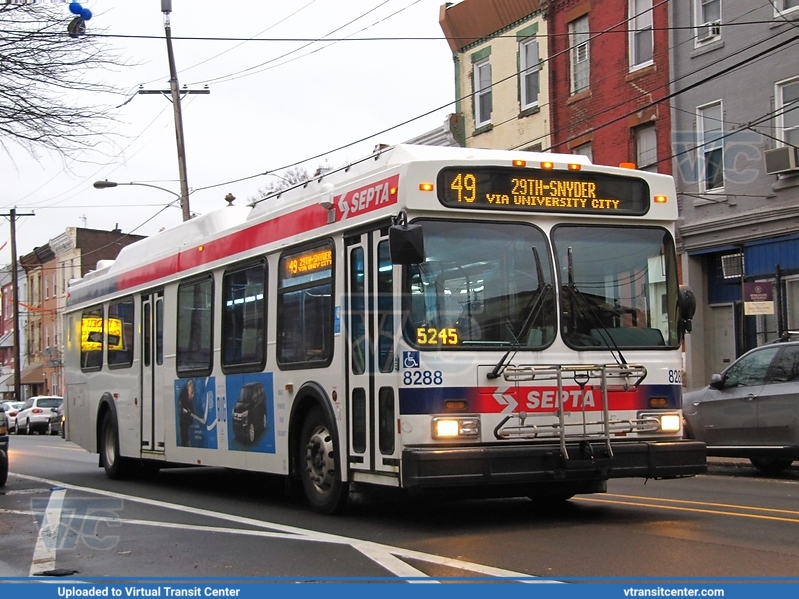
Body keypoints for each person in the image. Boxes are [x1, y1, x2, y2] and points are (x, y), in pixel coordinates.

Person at [178, 379, 195, 447]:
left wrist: (191, 412)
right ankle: (185, 444)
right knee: (184, 433)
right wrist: (184, 409)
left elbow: (190, 406)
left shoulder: (189, 394)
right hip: (183, 418)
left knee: (186, 432)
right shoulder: (184, 393)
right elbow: (181, 403)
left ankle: (186, 443)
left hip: (187, 418)